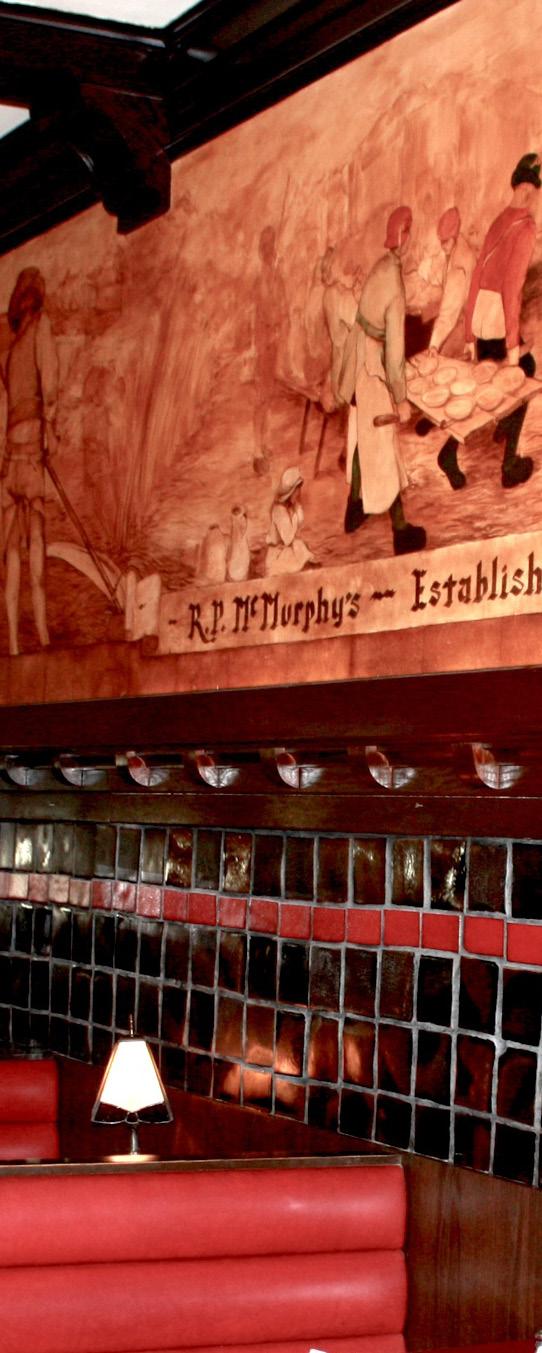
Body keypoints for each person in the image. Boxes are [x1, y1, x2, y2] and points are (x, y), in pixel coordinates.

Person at [437, 153, 540, 492]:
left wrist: (469, 334)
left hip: (481, 314)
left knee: (486, 383)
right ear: (529, 190)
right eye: (535, 193)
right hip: (497, 316)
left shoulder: (499, 220)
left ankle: (492, 432)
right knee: (521, 373)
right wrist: (512, 346)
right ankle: (508, 466)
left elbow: (477, 276)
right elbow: (512, 288)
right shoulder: (526, 226)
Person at [339, 205, 426, 556]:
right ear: (405, 239)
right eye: (411, 234)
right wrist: (401, 398)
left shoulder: (381, 267)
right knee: (383, 446)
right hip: (372, 365)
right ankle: (401, 531)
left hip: (359, 359)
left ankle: (354, 509)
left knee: (362, 438)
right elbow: (394, 352)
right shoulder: (394, 284)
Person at [0, 267, 58, 656]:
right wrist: (50, 429)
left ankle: (26, 642)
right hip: (25, 449)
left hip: (15, 451)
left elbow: (11, 402)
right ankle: (33, 639)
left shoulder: (14, 345)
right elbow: (48, 383)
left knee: (18, 550)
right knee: (28, 545)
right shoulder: (37, 330)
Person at [252, 225, 289, 476]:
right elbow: (261, 315)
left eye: (272, 247)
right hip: (264, 346)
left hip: (273, 344)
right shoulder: (261, 281)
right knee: (262, 399)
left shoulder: (276, 278)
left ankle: (263, 445)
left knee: (269, 397)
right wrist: (265, 339)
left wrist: (280, 330)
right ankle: (257, 450)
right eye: (267, 248)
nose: (271, 252)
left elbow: (283, 310)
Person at [429, 206, 476, 357]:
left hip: (472, 325)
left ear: (454, 237)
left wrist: (434, 345)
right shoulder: (457, 246)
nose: (442, 246)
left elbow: (448, 314)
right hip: (466, 317)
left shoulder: (459, 266)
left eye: (445, 242)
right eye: (441, 241)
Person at [265, 465, 316, 574]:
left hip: (286, 549)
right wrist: (295, 515)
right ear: (291, 491)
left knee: (301, 546)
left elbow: (300, 524)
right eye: (297, 490)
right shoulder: (279, 510)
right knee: (299, 550)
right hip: (278, 555)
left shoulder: (290, 507)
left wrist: (297, 508)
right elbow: (288, 538)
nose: (299, 493)